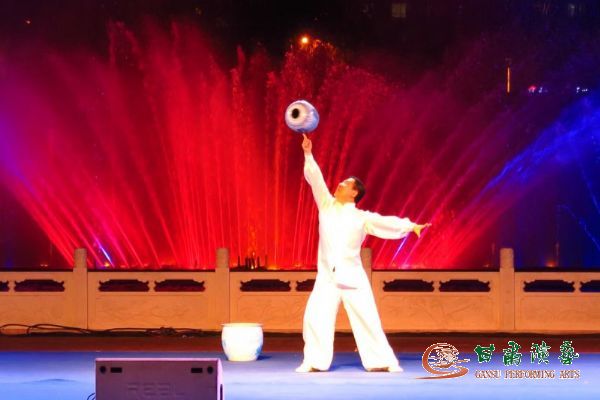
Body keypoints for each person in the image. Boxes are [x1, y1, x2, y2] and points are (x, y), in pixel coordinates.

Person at [296, 133, 430, 373]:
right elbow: (316, 180)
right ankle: (314, 361)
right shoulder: (326, 205)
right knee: (315, 318)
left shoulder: (361, 217)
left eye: (346, 184)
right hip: (327, 277)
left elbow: (385, 222)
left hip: (353, 277)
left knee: (368, 319)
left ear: (354, 193)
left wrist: (410, 226)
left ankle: (382, 361)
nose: (340, 184)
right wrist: (308, 153)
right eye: (342, 182)